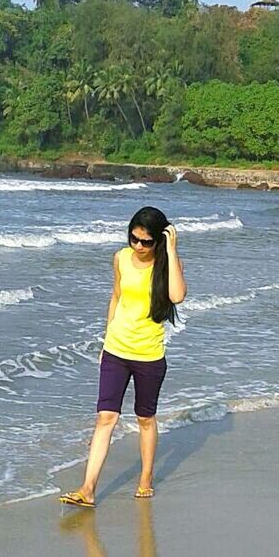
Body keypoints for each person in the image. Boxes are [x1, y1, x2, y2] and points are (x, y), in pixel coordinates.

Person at [60, 206, 187, 507]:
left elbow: (177, 296)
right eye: (134, 239)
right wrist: (106, 339)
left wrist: (171, 248)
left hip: (148, 354)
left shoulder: (165, 265)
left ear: (157, 241)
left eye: (146, 242)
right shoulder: (120, 258)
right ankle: (88, 488)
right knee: (106, 417)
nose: (138, 246)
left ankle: (145, 476)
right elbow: (116, 295)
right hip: (116, 348)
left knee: (145, 418)